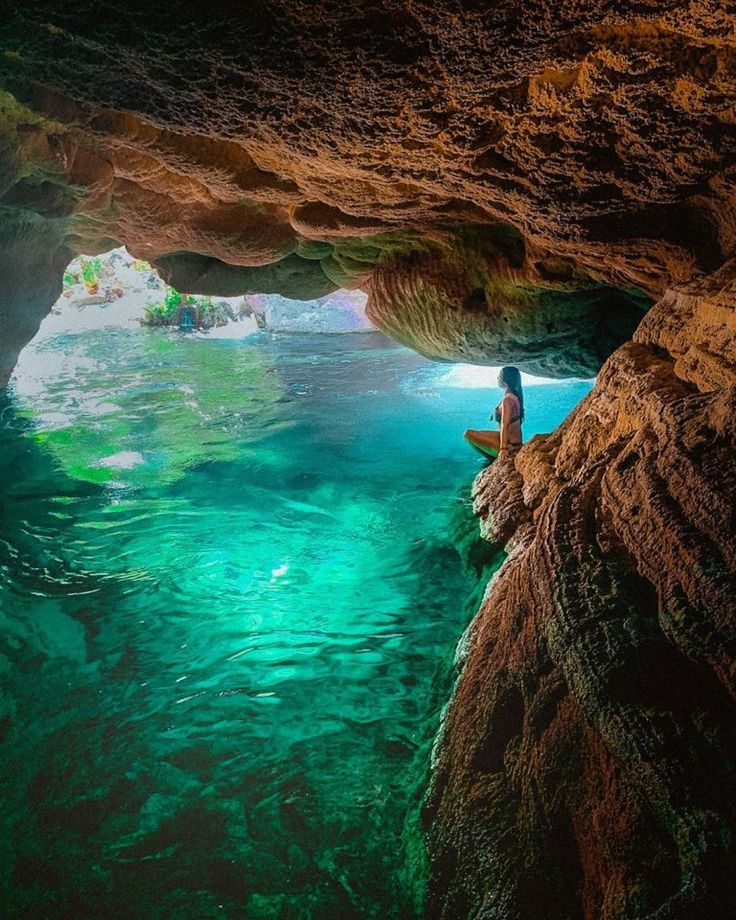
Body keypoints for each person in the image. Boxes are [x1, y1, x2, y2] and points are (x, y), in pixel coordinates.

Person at [464, 365, 524, 459]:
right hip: (510, 439)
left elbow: (505, 425)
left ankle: (495, 457)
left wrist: (503, 449)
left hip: (511, 444)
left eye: (499, 376)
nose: (497, 378)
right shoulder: (512, 395)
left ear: (505, 380)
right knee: (473, 434)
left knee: (468, 434)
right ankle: (493, 456)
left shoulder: (508, 400)